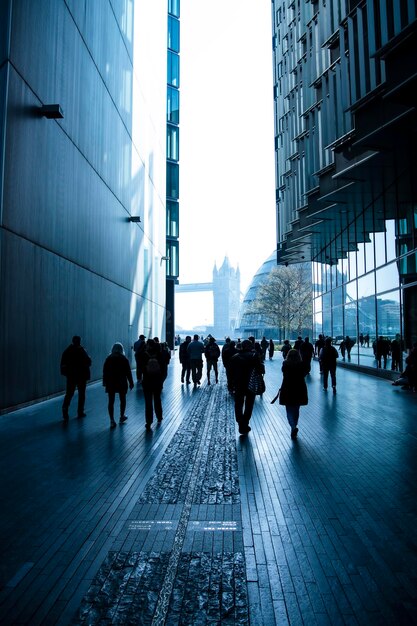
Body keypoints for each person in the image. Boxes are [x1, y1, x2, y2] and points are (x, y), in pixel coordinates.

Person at [228, 339, 265, 435]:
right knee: (249, 404)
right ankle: (245, 422)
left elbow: (230, 373)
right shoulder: (254, 356)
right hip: (251, 383)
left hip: (239, 383)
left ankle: (240, 422)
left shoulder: (235, 357)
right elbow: (260, 369)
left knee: (238, 404)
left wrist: (231, 385)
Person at [60, 335, 92, 421]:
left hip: (71, 376)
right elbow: (89, 362)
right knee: (81, 394)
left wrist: (67, 373)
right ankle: (80, 412)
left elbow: (63, 364)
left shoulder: (67, 351)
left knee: (69, 394)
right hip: (81, 376)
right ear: (79, 341)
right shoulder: (82, 350)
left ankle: (65, 409)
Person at [103, 342, 134, 428]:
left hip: (111, 382)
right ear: (121, 349)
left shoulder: (108, 359)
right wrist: (131, 382)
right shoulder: (124, 359)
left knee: (111, 401)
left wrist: (104, 382)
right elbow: (128, 372)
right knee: (122, 399)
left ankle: (112, 420)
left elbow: (105, 371)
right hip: (121, 382)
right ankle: (122, 416)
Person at [279, 349, 308, 439]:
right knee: (296, 409)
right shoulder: (301, 364)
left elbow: (284, 373)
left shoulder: (285, 364)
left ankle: (293, 426)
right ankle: (294, 425)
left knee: (289, 409)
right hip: (299, 388)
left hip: (288, 388)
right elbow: (305, 373)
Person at [141, 339, 165, 429]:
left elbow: (142, 368)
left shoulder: (144, 355)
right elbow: (163, 369)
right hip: (157, 381)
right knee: (157, 399)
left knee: (148, 402)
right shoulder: (159, 355)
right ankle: (159, 417)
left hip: (147, 382)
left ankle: (148, 421)